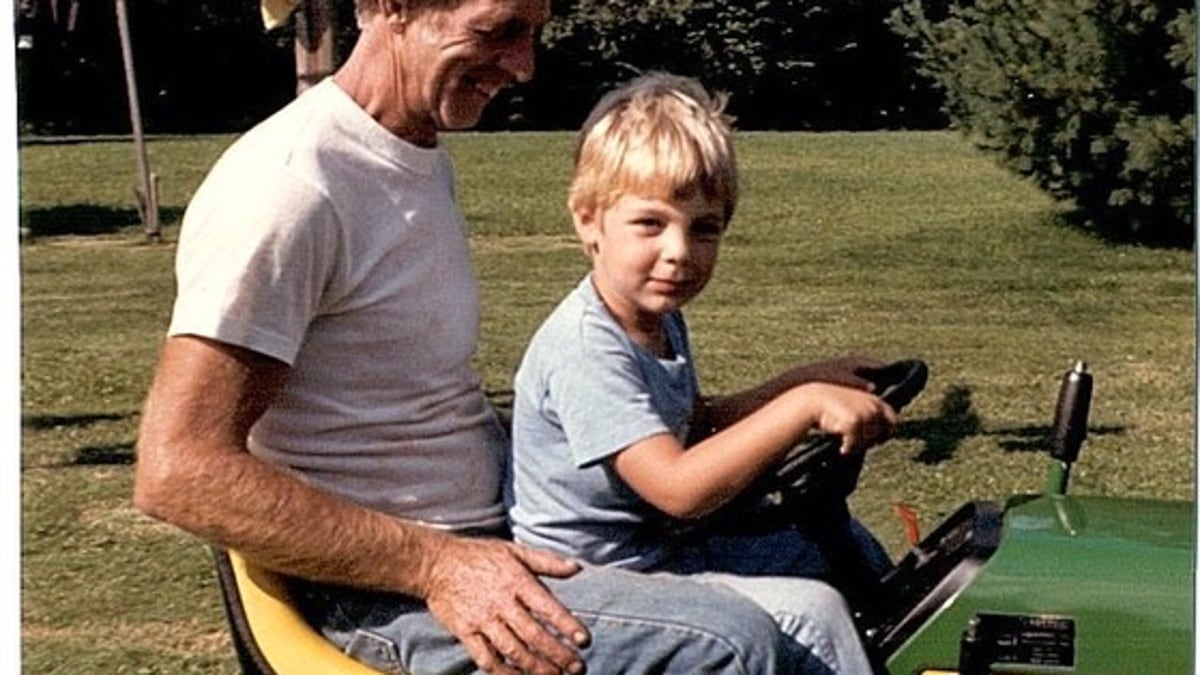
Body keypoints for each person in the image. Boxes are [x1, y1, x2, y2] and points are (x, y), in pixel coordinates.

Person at [132, 1, 857, 674]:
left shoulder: (410, 157)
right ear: (392, 6)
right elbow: (178, 470)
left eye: (532, 32)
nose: (524, 65)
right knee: (732, 642)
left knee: (822, 565)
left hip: (487, 544)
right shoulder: (291, 187)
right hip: (382, 593)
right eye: (497, 29)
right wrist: (438, 565)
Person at [508, 72, 901, 668]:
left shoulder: (654, 318)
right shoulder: (586, 348)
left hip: (655, 555)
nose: (679, 252)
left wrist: (802, 382)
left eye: (704, 228)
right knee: (814, 614)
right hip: (589, 584)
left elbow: (693, 422)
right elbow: (679, 489)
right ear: (588, 221)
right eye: (650, 223)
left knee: (840, 548)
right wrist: (802, 406)